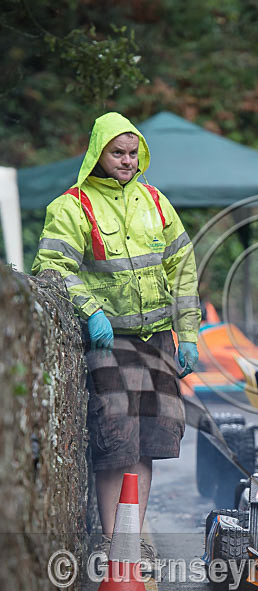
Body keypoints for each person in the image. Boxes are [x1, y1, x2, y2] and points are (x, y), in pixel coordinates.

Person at [32, 112, 200, 551]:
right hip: (110, 343)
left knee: (148, 442)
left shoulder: (156, 201)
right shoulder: (72, 205)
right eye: (117, 153)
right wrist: (90, 312)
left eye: (132, 153)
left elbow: (182, 271)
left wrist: (190, 335)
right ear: (98, 154)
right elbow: (51, 267)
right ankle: (113, 542)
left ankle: (133, 539)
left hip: (158, 339)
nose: (126, 161)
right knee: (115, 441)